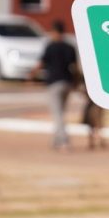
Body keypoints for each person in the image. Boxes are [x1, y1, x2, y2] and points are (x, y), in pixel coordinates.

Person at [32, 20, 77, 150]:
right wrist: (75, 83)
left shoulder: (51, 47)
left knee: (58, 114)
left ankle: (63, 141)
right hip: (67, 83)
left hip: (54, 83)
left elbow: (41, 63)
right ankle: (56, 140)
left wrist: (32, 74)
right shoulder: (70, 47)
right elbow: (75, 67)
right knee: (61, 112)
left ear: (54, 32)